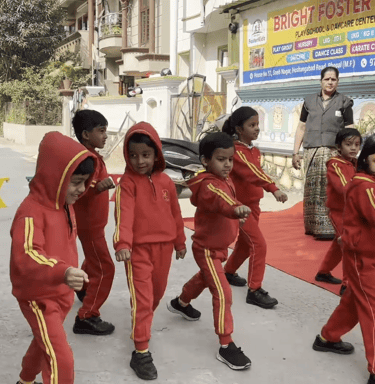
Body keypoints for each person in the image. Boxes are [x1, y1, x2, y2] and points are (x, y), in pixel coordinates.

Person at [10, 131, 96, 384]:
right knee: (61, 359)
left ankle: (25, 380)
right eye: (76, 181)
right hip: (38, 297)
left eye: (85, 181)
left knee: (43, 342)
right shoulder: (30, 213)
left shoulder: (65, 203)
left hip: (61, 292)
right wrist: (64, 271)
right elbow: (26, 255)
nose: (82, 189)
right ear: (54, 177)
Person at [167, 132, 252, 371]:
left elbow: (228, 198)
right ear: (205, 160)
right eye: (221, 159)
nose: (227, 165)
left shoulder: (223, 179)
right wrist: (236, 210)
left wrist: (238, 217)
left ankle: (181, 302)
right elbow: (222, 200)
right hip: (206, 249)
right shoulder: (208, 186)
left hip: (218, 247)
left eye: (230, 160)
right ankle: (226, 344)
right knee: (223, 293)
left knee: (206, 278)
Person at [113, 122, 186, 381]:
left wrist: (179, 242)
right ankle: (141, 350)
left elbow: (176, 215)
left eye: (145, 154)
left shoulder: (166, 181)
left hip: (164, 249)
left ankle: (141, 319)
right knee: (144, 300)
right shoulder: (126, 184)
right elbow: (124, 215)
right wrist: (122, 244)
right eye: (133, 155)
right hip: (137, 252)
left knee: (156, 294)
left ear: (156, 154)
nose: (139, 161)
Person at [312, 134, 375, 384]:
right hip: (363, 258)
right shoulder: (363, 184)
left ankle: (328, 337)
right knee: (371, 308)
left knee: (354, 303)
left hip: (365, 254)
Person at [222, 106, 288, 309]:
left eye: (258, 124)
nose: (257, 129)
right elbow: (253, 173)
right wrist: (273, 188)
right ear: (239, 129)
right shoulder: (237, 151)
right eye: (252, 125)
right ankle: (255, 289)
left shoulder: (254, 150)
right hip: (241, 207)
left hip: (253, 204)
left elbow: (256, 171)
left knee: (244, 244)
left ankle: (229, 272)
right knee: (258, 244)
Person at [292, 66, 354, 239]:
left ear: (338, 82)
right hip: (311, 152)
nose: (330, 82)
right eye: (327, 79)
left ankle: (331, 228)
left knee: (331, 189)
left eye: (333, 79)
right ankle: (313, 227)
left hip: (333, 153)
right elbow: (302, 126)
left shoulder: (344, 102)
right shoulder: (309, 101)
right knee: (312, 190)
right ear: (321, 81)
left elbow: (350, 127)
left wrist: (351, 151)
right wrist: (295, 152)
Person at [71, 110, 116, 336]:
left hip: (93, 224)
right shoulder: (86, 159)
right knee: (105, 268)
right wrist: (98, 187)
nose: (105, 136)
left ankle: (84, 288)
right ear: (86, 134)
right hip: (90, 226)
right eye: (101, 131)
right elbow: (80, 187)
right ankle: (87, 316)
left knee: (92, 260)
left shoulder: (90, 155)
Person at [315, 128, 362, 292]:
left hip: (351, 211)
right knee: (348, 245)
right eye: (348, 144)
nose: (353, 148)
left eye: (357, 144)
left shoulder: (356, 164)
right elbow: (343, 187)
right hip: (339, 212)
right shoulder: (335, 164)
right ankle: (347, 284)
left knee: (339, 243)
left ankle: (323, 272)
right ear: (338, 147)